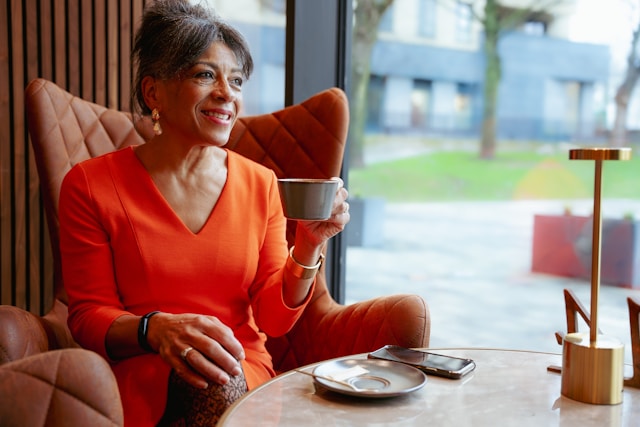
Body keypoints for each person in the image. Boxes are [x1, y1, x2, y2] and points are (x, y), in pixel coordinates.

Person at [58, 1, 350, 425]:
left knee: (220, 376)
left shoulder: (260, 182)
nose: (227, 93)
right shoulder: (90, 185)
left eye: (235, 80)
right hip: (144, 369)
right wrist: (155, 329)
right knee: (205, 377)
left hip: (240, 367)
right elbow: (87, 316)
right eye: (204, 75)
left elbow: (272, 320)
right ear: (153, 92)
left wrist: (307, 244)